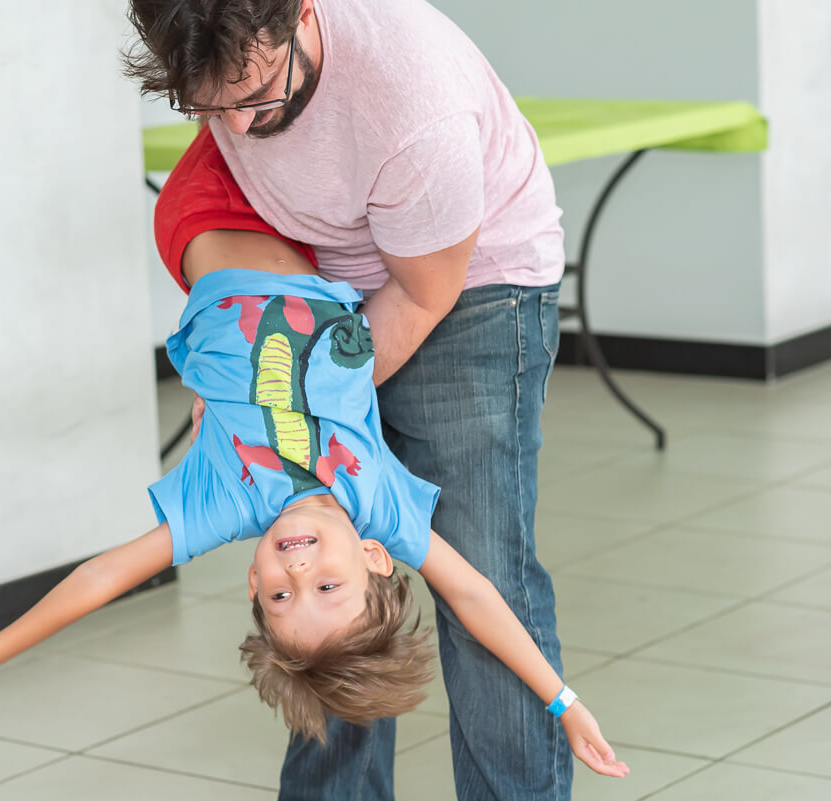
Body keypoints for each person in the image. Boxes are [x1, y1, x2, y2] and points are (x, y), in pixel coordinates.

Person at [0, 135, 628, 781]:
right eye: (327, 589)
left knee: (249, 88)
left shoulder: (229, 500)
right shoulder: (383, 506)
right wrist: (563, 701)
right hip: (307, 236)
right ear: (377, 558)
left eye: (279, 597)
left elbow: (101, 578)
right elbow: (475, 595)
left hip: (213, 210)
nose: (299, 573)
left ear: (253, 577)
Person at [123, 0, 571, 798]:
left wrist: (293, 413)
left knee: (480, 574)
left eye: (254, 96)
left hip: (462, 288)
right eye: (209, 107)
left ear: (298, 14)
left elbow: (422, 295)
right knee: (332, 603)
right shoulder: (228, 55)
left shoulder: (412, 102)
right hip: (327, 279)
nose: (236, 124)